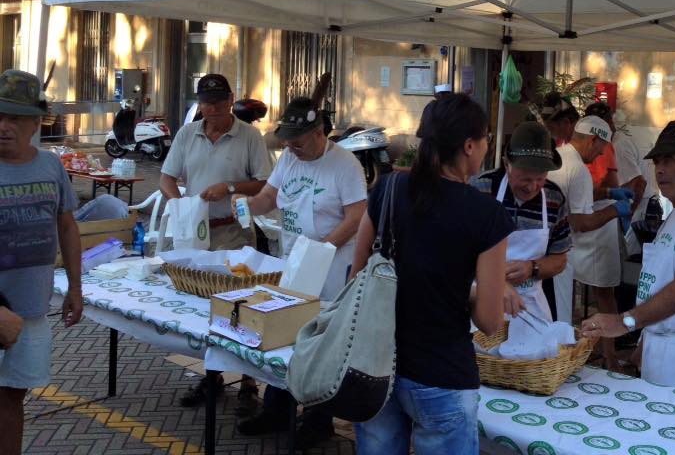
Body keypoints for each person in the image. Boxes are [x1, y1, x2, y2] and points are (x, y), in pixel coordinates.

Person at [353, 94, 513, 455]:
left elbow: (356, 277)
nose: (488, 146)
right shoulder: (486, 215)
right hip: (442, 375)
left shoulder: (388, 189)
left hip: (377, 365)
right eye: (486, 137)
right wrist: (469, 293)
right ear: (470, 146)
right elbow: (489, 321)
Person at [232, 94, 368, 444]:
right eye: (287, 139)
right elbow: (268, 198)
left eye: (299, 140)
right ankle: (278, 408)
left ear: (320, 132)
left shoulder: (345, 165)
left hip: (332, 267)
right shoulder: (289, 160)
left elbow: (357, 217)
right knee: (287, 336)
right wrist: (246, 205)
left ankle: (318, 418)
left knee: (320, 344)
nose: (291, 146)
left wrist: (324, 249)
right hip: (294, 262)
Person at [582, 119, 675, 394]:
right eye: (657, 162)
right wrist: (645, 340)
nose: (660, 170)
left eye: (669, 161)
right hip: (660, 342)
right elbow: (660, 282)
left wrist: (624, 321)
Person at [160, 73, 273, 409]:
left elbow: (265, 183)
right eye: (206, 102)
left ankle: (250, 384)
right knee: (203, 304)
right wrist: (176, 204)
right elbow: (167, 177)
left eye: (219, 101)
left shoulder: (250, 136)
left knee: (240, 307)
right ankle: (211, 376)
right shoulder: (187, 134)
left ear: (230, 100)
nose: (212, 108)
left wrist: (231, 187)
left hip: (233, 230)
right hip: (196, 233)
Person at [0, 70, 83, 455]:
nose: (4, 126)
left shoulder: (51, 167)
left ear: (36, 122)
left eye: (15, 117)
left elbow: (67, 227)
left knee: (13, 398)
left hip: (32, 307)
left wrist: (75, 290)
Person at [550, 115, 636, 368]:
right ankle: (556, 368)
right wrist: (614, 211)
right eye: (600, 148)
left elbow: (579, 195)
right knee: (560, 319)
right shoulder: (578, 170)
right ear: (594, 140)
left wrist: (609, 193)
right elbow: (579, 223)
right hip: (559, 254)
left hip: (545, 251)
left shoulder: (560, 156)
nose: (600, 155)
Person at [474, 121, 569, 321]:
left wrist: (532, 268)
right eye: (524, 178)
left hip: (530, 307)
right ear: (506, 164)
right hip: (479, 303)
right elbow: (457, 252)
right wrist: (495, 281)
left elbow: (560, 259)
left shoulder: (554, 198)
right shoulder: (480, 189)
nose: (532, 187)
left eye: (540, 178)